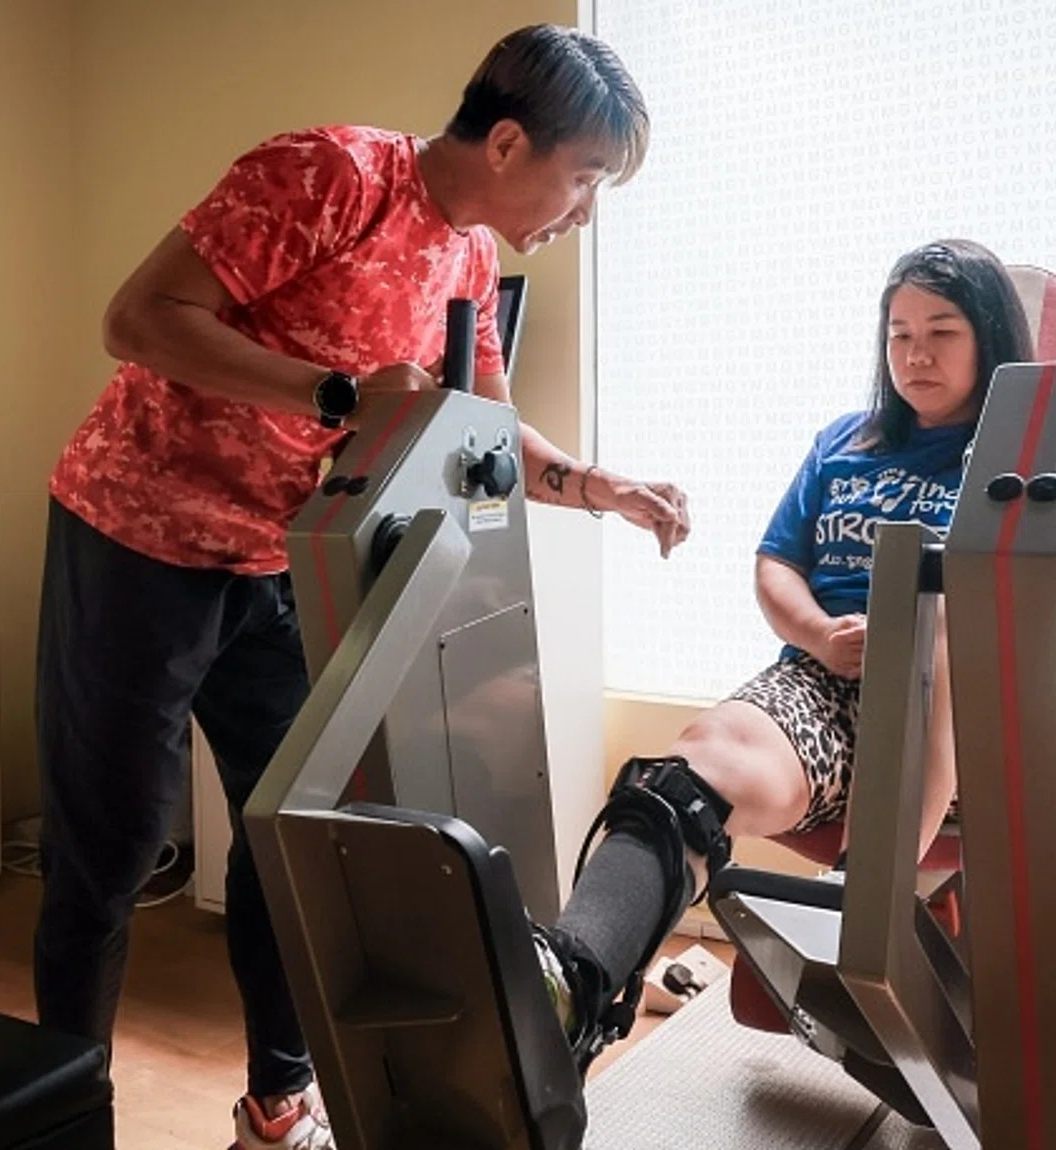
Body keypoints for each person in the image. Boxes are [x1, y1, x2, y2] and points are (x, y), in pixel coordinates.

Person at [33, 24, 688, 1150]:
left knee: (291, 831)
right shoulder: (333, 173)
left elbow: (480, 428)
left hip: (274, 555)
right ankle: (62, 1121)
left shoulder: (474, 258)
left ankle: (276, 1099)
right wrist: (339, 395)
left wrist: (596, 486)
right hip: (136, 533)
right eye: (583, 179)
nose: (583, 212)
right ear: (509, 141)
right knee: (116, 845)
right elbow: (137, 321)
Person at [534, 238, 1033, 1069]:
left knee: (942, 614)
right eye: (898, 332)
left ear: (989, 337)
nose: (915, 353)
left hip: (971, 718)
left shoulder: (1027, 460)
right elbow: (777, 562)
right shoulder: (848, 441)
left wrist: (926, 629)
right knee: (686, 786)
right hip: (830, 683)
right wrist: (818, 635)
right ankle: (567, 981)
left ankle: (857, 902)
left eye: (941, 332)